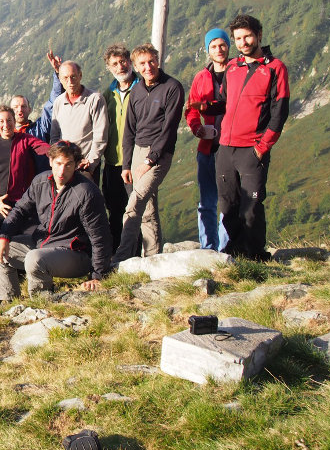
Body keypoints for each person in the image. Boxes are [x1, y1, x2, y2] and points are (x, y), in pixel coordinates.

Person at [194, 14, 289, 261]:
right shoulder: (233, 67)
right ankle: (235, 253)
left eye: (248, 36)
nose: (243, 42)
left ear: (259, 35)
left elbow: (280, 112)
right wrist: (206, 108)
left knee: (252, 207)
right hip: (226, 148)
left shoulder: (275, 68)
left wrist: (262, 146)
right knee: (228, 206)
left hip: (252, 148)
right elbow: (225, 102)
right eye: (238, 38)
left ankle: (256, 256)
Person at [0, 142, 112, 299]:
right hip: (43, 243)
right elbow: (19, 210)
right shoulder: (41, 182)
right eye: (59, 163)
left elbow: (99, 236)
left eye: (68, 165)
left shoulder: (85, 192)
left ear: (76, 165)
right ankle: (10, 302)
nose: (62, 171)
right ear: (51, 161)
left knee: (35, 259)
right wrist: (4, 236)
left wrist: (97, 276)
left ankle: (41, 304)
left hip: (74, 253)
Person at [111, 44, 184, 263]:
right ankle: (153, 257)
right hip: (136, 152)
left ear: (158, 60)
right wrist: (126, 165)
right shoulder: (137, 91)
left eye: (151, 61)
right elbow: (129, 131)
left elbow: (169, 129)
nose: (148, 67)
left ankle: (121, 258)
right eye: (142, 63)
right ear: (136, 66)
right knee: (148, 208)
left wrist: (150, 160)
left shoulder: (172, 88)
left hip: (159, 153)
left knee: (135, 202)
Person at [185, 28, 231, 251]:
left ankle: (226, 248)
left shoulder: (238, 72)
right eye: (214, 46)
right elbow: (191, 110)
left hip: (233, 147)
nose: (219, 49)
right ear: (208, 50)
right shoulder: (201, 78)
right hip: (207, 146)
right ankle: (208, 248)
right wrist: (197, 129)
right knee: (207, 201)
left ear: (228, 46)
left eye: (222, 45)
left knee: (229, 201)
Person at [101, 44, 140, 251]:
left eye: (123, 61)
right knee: (114, 210)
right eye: (114, 64)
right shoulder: (108, 94)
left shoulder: (142, 89)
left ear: (130, 62)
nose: (120, 66)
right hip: (112, 162)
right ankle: (116, 255)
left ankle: (136, 253)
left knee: (135, 210)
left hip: (136, 162)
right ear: (109, 68)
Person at [49, 60, 109, 185]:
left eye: (73, 76)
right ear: (60, 79)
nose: (70, 82)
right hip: (64, 166)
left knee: (86, 201)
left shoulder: (94, 99)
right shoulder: (59, 102)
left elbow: (100, 135)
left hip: (85, 166)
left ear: (80, 75)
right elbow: (55, 136)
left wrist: (91, 163)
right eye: (65, 78)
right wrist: (58, 159)